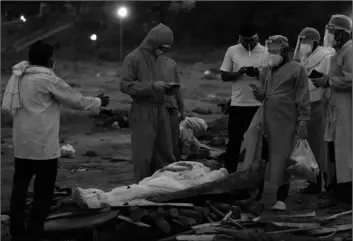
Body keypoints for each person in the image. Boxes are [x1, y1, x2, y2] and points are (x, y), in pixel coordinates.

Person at [1, 41, 110, 241]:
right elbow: (75, 100)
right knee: (43, 192)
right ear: (49, 60)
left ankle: (17, 230)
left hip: (22, 145)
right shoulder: (48, 79)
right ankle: (35, 231)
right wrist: (98, 102)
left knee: (19, 188)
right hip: (44, 147)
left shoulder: (19, 77)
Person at [251, 35, 310, 211]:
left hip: (286, 120)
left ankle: (281, 198)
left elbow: (303, 98)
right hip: (267, 119)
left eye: (274, 51)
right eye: (269, 50)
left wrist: (303, 121)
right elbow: (265, 93)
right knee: (262, 156)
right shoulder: (267, 70)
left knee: (282, 158)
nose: (271, 54)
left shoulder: (297, 70)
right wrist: (258, 93)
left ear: (284, 51)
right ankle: (258, 194)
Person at [120, 23, 176, 183]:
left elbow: (161, 82)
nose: (164, 51)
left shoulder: (162, 61)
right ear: (152, 42)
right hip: (143, 110)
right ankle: (142, 186)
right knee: (143, 153)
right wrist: (151, 86)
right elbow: (125, 85)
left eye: (167, 48)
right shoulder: (133, 58)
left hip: (162, 109)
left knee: (166, 152)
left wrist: (167, 88)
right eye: (162, 47)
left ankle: (167, 185)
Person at [312, 14, 352, 205]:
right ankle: (336, 189)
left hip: (346, 108)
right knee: (334, 149)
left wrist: (328, 81)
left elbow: (351, 79)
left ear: (343, 33)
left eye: (332, 30)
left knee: (344, 151)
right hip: (336, 107)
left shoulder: (349, 51)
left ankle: (344, 193)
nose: (329, 34)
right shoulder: (339, 52)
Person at [220, 23, 268, 174]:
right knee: (234, 142)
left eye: (251, 41)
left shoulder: (266, 52)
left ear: (257, 38)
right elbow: (224, 76)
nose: (248, 44)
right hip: (238, 103)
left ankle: (258, 176)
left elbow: (273, 79)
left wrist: (258, 74)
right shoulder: (232, 50)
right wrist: (238, 73)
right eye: (245, 41)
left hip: (259, 105)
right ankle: (229, 175)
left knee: (260, 143)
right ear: (240, 39)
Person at [293, 27, 335, 194]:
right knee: (310, 144)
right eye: (301, 41)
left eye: (306, 41)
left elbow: (329, 80)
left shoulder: (326, 57)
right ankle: (314, 181)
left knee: (321, 146)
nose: (303, 45)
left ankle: (327, 182)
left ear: (316, 42)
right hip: (306, 104)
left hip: (320, 104)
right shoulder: (305, 57)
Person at [163, 57, 186, 160]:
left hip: (172, 108)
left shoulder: (171, 63)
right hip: (154, 108)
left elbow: (177, 89)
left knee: (174, 140)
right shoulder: (145, 63)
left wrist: (182, 110)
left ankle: (175, 165)